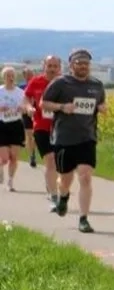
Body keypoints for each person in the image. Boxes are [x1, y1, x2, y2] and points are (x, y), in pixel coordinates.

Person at [40, 49, 108, 233]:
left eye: (86, 63)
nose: (83, 66)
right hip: (64, 138)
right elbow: (43, 104)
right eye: (79, 63)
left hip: (87, 137)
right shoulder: (61, 83)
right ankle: (63, 196)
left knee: (85, 177)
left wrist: (102, 108)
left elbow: (102, 103)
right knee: (66, 179)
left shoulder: (97, 85)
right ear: (71, 65)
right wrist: (62, 107)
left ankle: (83, 219)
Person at [21, 55, 62, 207]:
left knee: (60, 163)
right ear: (44, 66)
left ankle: (52, 184)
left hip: (62, 128)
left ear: (60, 68)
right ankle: (53, 196)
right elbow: (25, 98)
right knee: (50, 159)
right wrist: (29, 107)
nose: (52, 69)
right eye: (49, 65)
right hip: (41, 127)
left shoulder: (65, 83)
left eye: (55, 66)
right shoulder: (36, 81)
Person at [0, 67, 25, 190]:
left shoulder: (20, 92)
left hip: (16, 124)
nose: (10, 78)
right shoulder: (0, 91)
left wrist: (22, 109)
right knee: (4, 158)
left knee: (14, 157)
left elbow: (26, 106)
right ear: (3, 77)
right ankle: (1, 168)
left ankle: (10, 180)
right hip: (2, 124)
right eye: (8, 75)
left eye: (12, 75)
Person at [19, 67, 36, 168]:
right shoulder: (21, 87)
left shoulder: (37, 84)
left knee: (36, 136)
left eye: (31, 73)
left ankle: (33, 149)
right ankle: (32, 156)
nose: (30, 76)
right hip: (26, 113)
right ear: (24, 76)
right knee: (29, 135)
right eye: (28, 74)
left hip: (37, 113)